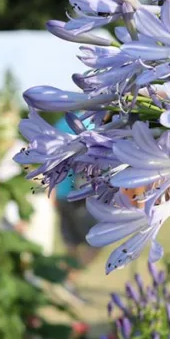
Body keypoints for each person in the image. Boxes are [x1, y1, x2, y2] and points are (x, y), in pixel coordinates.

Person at [54, 114, 98, 295]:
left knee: (70, 242)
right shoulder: (89, 123)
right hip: (80, 195)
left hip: (60, 192)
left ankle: (65, 281)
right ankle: (70, 278)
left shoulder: (59, 122)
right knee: (97, 240)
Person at [0, 140, 56, 255]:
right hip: (10, 209)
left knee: (39, 250)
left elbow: (47, 181)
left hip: (35, 207)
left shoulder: (22, 148)